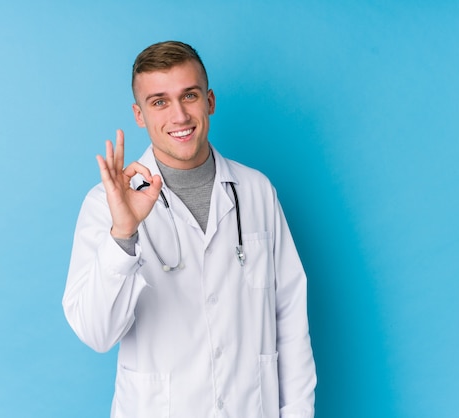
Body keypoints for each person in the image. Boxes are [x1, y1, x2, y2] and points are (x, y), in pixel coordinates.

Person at [62, 40, 316, 418]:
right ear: (139, 114)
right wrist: (123, 235)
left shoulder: (257, 190)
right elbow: (97, 334)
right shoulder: (107, 203)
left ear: (209, 101)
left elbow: (291, 323)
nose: (179, 115)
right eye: (159, 101)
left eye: (189, 96)